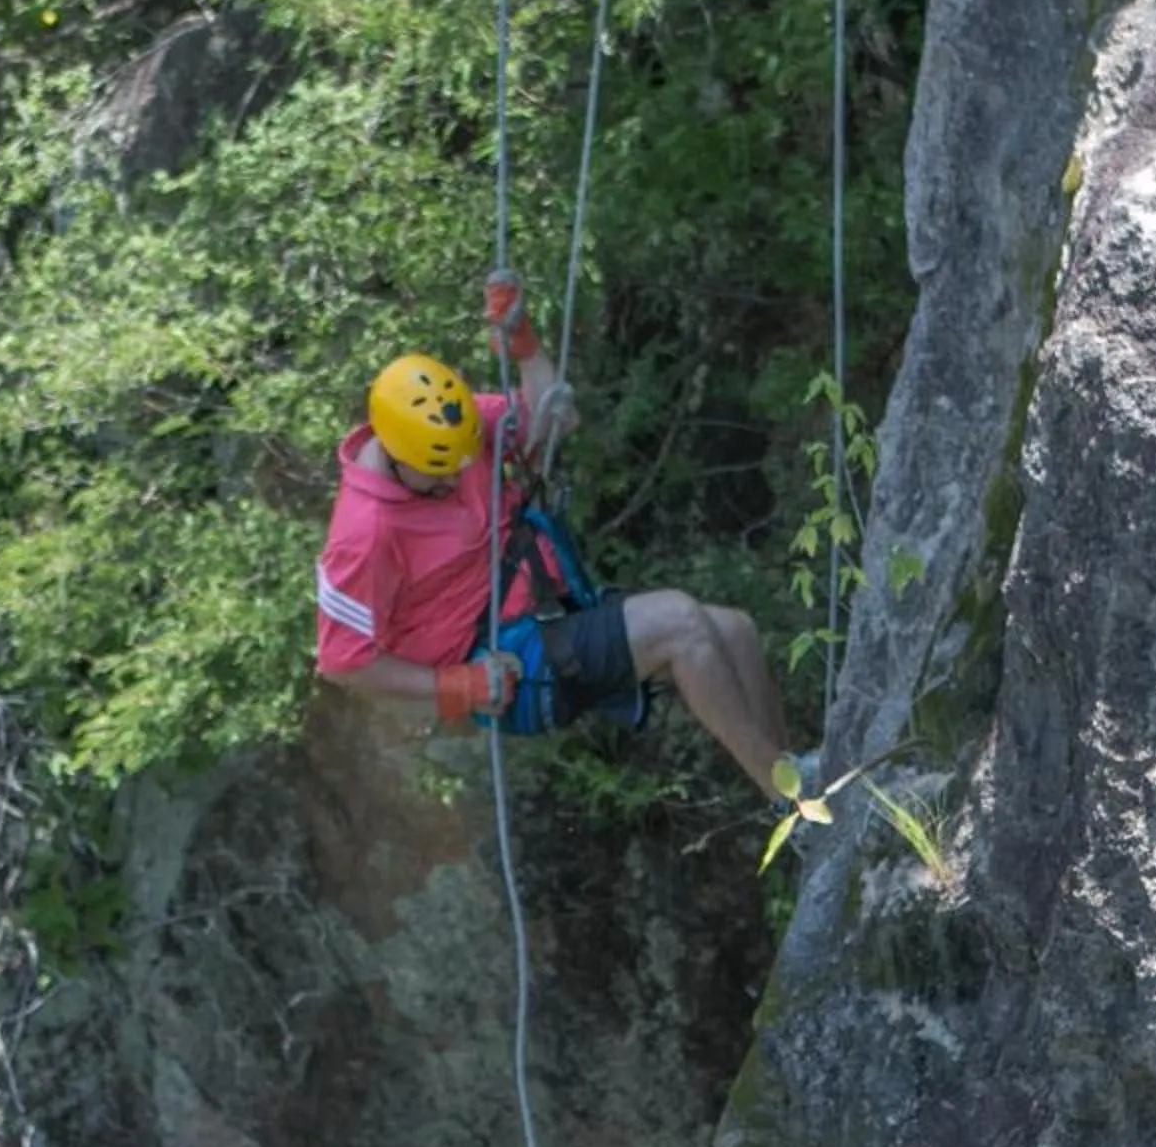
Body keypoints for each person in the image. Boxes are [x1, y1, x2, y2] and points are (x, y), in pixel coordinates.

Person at [313, 276, 806, 804]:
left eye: (459, 464)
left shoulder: (449, 429)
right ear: (396, 453)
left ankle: (792, 782)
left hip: (554, 611)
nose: (455, 478)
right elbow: (344, 662)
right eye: (439, 474)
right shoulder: (365, 533)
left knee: (735, 631)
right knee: (681, 623)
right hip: (509, 662)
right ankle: (794, 799)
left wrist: (524, 346)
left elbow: (549, 418)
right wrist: (457, 687)